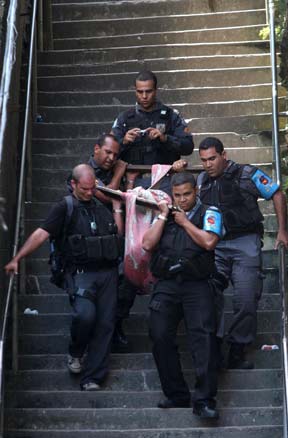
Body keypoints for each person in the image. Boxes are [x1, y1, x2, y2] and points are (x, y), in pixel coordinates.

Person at [5, 164, 124, 391]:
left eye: (93, 188)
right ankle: (76, 351)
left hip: (107, 272)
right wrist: (17, 258)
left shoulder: (101, 205)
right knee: (85, 315)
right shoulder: (65, 207)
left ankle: (93, 378)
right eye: (85, 189)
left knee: (106, 323)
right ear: (73, 184)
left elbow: (116, 236)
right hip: (80, 273)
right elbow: (41, 234)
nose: (90, 193)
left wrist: (117, 208)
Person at [111, 70, 195, 345]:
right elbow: (108, 150)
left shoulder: (170, 116)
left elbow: (188, 145)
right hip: (134, 195)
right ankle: (117, 325)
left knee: (167, 251)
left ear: (156, 90)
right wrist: (125, 142)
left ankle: (176, 322)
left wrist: (164, 138)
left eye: (149, 91)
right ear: (134, 91)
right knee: (132, 255)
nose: (144, 96)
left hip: (165, 194)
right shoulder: (125, 119)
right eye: (140, 91)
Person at [196, 136, 288, 369]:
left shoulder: (247, 174)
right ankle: (213, 347)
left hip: (244, 244)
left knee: (246, 299)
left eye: (212, 158)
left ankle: (238, 348)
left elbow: (276, 193)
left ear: (224, 155)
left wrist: (281, 230)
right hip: (215, 246)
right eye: (204, 160)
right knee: (207, 296)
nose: (208, 164)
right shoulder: (201, 180)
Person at [142, 172, 222, 419]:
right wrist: (165, 215)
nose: (183, 199)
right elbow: (146, 244)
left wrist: (186, 222)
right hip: (167, 283)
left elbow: (209, 242)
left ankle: (204, 400)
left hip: (197, 284)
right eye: (177, 195)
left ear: (195, 191)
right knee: (159, 334)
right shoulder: (163, 215)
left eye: (187, 194)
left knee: (204, 340)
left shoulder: (210, 212)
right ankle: (176, 393)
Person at [67, 134, 128, 205]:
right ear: (96, 149)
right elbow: (107, 196)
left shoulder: (113, 168)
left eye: (115, 155)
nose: (111, 158)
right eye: (108, 152)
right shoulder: (84, 171)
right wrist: (118, 174)